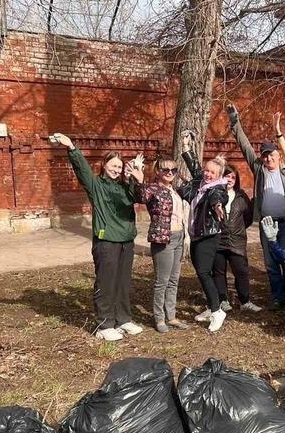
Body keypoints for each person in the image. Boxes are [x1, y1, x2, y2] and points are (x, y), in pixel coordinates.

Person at [52, 133, 143, 341]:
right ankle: (105, 325)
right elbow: (82, 169)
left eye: (119, 166)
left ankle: (123, 319)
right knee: (106, 283)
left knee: (123, 282)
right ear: (104, 165)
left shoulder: (125, 186)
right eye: (113, 165)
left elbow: (140, 197)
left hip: (126, 240)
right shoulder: (96, 185)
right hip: (106, 241)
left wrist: (138, 178)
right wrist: (71, 147)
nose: (116, 169)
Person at [229, 104, 285, 308]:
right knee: (270, 263)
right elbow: (245, 147)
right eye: (265, 155)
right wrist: (235, 122)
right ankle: (277, 297)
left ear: (278, 156)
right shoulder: (260, 170)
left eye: (272, 155)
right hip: (266, 224)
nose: (268, 158)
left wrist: (278, 130)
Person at [131, 156, 191, 334]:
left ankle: (171, 316)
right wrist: (139, 180)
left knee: (173, 280)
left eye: (173, 170)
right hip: (163, 238)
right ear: (158, 171)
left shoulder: (176, 190)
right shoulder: (153, 189)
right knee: (162, 281)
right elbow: (141, 197)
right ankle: (159, 318)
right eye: (165, 169)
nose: (170, 173)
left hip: (179, 236)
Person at [176, 132, 229, 332]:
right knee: (204, 272)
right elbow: (194, 166)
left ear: (219, 176)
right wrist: (186, 147)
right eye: (207, 170)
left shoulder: (217, 188)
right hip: (198, 234)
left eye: (212, 173)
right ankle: (211, 305)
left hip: (208, 235)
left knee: (203, 272)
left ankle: (217, 311)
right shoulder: (202, 183)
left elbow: (218, 198)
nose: (207, 174)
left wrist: (217, 206)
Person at [213, 165, 262, 313]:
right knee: (218, 272)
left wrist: (236, 229)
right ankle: (223, 300)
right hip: (218, 239)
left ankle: (245, 301)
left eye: (233, 177)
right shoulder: (214, 194)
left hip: (237, 241)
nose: (230, 179)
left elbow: (247, 218)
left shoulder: (241, 196)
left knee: (241, 271)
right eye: (227, 176)